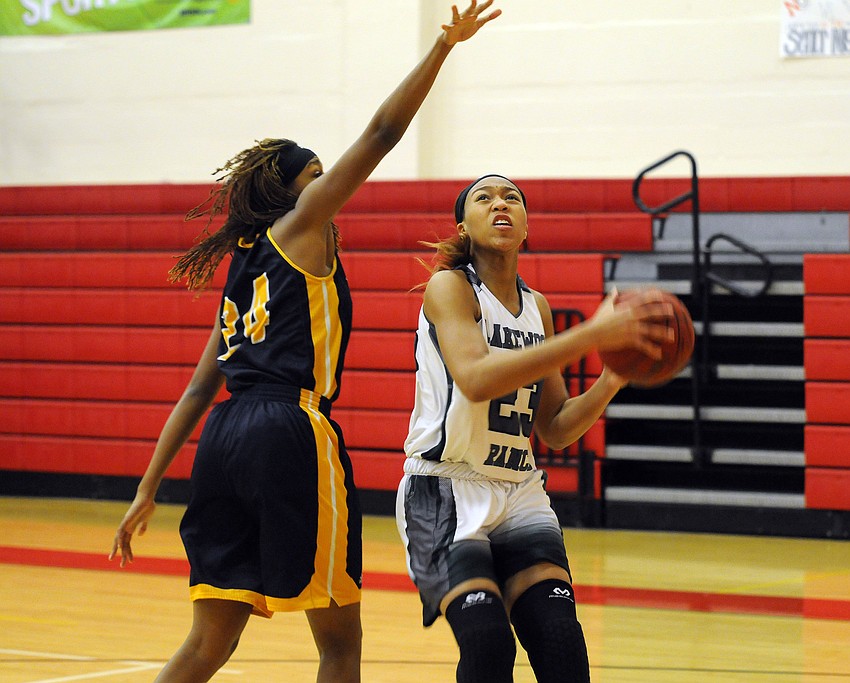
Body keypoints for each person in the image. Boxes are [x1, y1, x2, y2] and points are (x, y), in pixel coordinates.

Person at [108, 4, 502, 682]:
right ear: (291, 195)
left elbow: (203, 386)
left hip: (223, 438)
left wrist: (147, 487)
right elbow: (380, 134)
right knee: (340, 641)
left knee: (207, 642)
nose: (328, 190)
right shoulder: (299, 230)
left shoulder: (243, 267)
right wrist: (443, 45)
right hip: (289, 428)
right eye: (316, 178)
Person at [395, 174, 674, 682]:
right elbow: (477, 380)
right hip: (444, 489)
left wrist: (612, 378)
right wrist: (590, 334)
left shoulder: (536, 307)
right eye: (484, 198)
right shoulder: (450, 288)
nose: (500, 204)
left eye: (512, 198)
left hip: (519, 491)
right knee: (489, 646)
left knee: (561, 642)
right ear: (464, 225)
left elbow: (556, 428)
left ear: (526, 227)